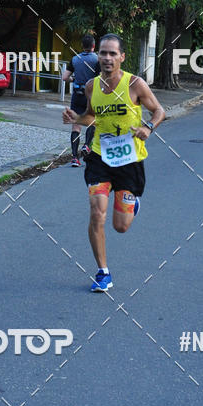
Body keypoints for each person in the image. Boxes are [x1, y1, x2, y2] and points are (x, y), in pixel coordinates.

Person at [62, 33, 165, 292]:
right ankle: (103, 272)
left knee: (121, 226)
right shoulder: (92, 87)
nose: (107, 58)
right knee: (97, 211)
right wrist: (76, 118)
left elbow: (159, 110)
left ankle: (132, 203)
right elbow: (91, 117)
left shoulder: (135, 84)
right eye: (103, 53)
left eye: (112, 53)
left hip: (129, 160)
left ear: (122, 57)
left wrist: (149, 127)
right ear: (98, 56)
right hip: (99, 157)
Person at [62, 34, 99, 166]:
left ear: (82, 46)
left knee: (76, 125)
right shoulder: (97, 60)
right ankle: (87, 145)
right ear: (94, 46)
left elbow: (64, 77)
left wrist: (74, 79)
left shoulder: (75, 59)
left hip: (77, 95)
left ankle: (74, 158)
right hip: (91, 95)